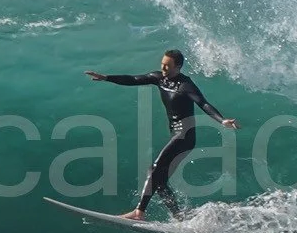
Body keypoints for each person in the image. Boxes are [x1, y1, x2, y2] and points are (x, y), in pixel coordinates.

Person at [86, 50, 240, 220]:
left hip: (185, 136)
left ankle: (139, 212)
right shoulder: (159, 78)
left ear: (178, 67)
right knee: (158, 179)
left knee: (155, 168)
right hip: (175, 133)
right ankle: (178, 216)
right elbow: (134, 79)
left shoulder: (185, 85)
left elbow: (203, 103)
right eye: (162, 65)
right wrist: (107, 78)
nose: (163, 68)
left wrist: (222, 120)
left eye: (168, 66)